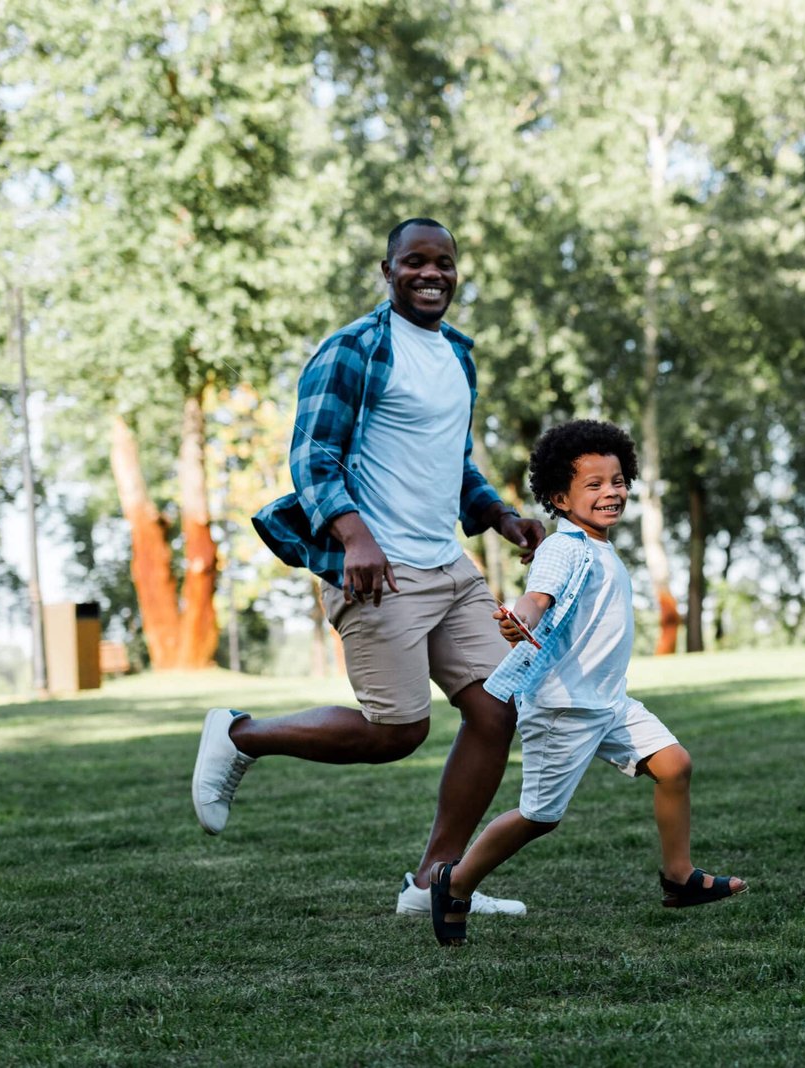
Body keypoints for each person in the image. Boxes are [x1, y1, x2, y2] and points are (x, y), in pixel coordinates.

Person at [191, 217, 546, 918]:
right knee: (397, 732)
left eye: (443, 262)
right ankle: (240, 734)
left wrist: (501, 516)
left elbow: (451, 460)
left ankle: (433, 884)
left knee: (498, 708)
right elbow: (313, 455)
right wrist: (354, 535)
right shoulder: (353, 348)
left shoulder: (457, 356)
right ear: (388, 271)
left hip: (449, 564)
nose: (431, 274)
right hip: (378, 569)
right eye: (415, 262)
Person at [425, 419, 746, 946]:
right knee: (539, 816)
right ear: (559, 496)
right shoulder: (564, 548)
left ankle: (678, 877)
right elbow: (539, 596)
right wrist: (520, 616)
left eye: (617, 481)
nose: (610, 493)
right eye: (593, 485)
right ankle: (454, 882)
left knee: (675, 764)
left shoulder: (600, 547)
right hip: (562, 707)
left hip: (609, 702)